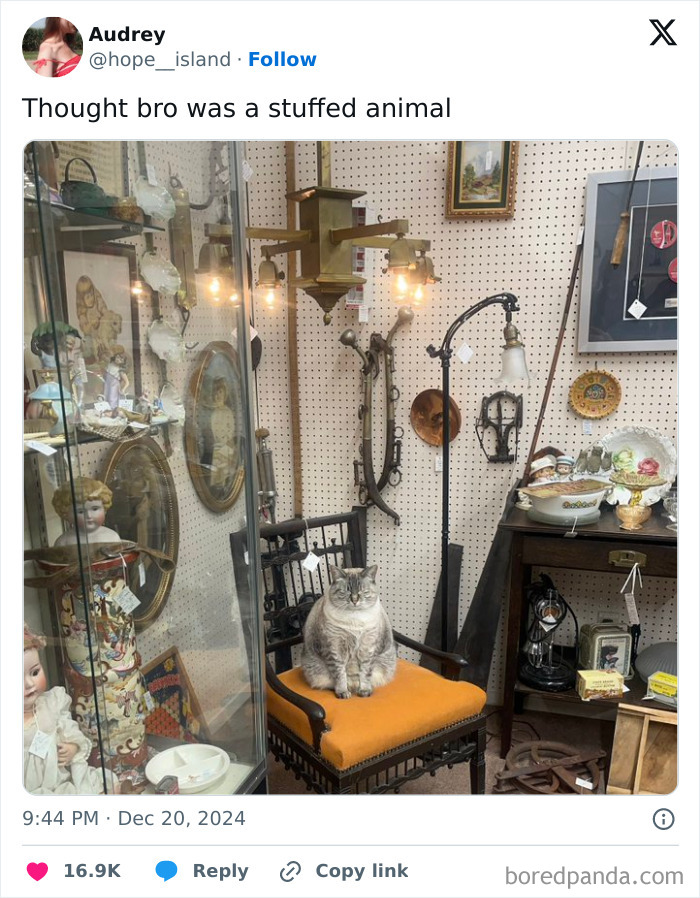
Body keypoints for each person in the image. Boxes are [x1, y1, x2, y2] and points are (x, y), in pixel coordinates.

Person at [24, 624, 113, 794]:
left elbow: (70, 730)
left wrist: (73, 747)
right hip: (32, 791)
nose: (29, 684)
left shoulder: (52, 703)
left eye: (35, 673)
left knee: (98, 784)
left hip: (62, 780)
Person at [52, 477, 121, 546]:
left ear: (104, 509)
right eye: (80, 511)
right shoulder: (64, 542)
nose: (89, 516)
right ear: (65, 514)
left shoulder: (112, 537)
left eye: (95, 509)